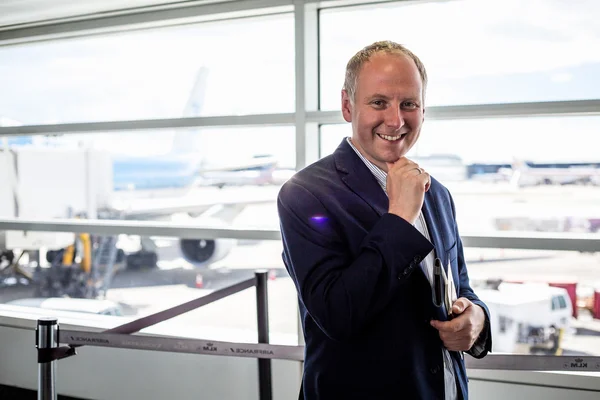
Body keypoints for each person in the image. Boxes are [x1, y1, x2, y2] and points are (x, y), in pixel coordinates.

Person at [277, 41, 492, 400]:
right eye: (379, 103)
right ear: (348, 105)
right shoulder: (305, 194)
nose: (396, 120)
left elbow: (459, 287)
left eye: (409, 104)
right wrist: (400, 217)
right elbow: (338, 315)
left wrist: (478, 321)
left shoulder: (436, 192)